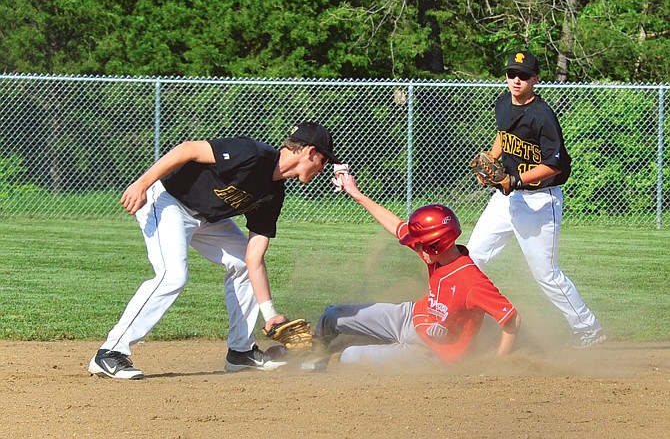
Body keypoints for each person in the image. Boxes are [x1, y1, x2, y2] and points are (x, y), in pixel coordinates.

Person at [88, 122, 339, 379]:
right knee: (172, 276)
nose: (322, 168)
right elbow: (188, 150)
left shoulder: (273, 195)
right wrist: (142, 183)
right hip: (168, 202)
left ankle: (241, 352)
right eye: (323, 160)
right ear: (309, 152)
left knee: (241, 261)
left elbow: (254, 257)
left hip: (208, 219)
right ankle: (109, 352)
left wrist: (270, 314)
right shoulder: (252, 153)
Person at [466, 50, 606, 348]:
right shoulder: (503, 103)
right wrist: (491, 161)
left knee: (546, 274)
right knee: (471, 258)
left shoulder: (543, 115)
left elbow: (554, 164)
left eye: (524, 76)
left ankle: (589, 328)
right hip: (505, 199)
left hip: (540, 201)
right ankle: (465, 320)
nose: (516, 80)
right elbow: (503, 135)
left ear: (535, 80)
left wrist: (516, 179)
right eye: (511, 74)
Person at [314, 170, 521, 366]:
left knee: (351, 357)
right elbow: (396, 225)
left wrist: (498, 363)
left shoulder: (471, 281)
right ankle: (310, 356)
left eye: (420, 244)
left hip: (431, 354)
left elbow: (511, 319)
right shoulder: (436, 256)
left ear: (437, 243)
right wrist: (356, 193)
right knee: (332, 316)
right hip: (410, 316)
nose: (416, 247)